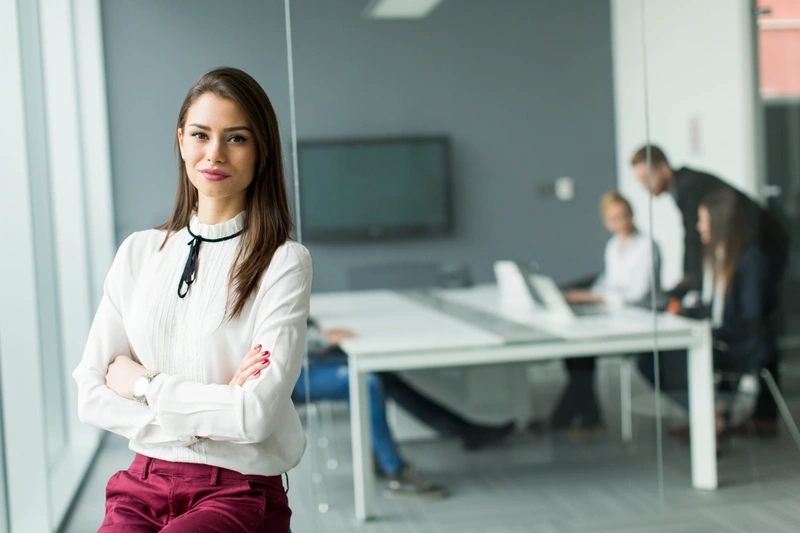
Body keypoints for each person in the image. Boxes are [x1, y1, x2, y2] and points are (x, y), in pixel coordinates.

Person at [73, 67, 310, 532]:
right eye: (201, 134)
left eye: (236, 138)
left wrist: (145, 386)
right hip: (140, 483)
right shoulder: (139, 252)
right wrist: (219, 404)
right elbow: (91, 393)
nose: (215, 153)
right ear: (181, 140)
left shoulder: (283, 262)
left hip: (238, 489)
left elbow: (256, 416)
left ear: (261, 150)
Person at [630, 145, 789, 435]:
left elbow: (692, 239)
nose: (644, 187)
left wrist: (687, 284)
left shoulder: (693, 188)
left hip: (765, 254)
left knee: (750, 321)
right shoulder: (689, 196)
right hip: (740, 284)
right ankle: (718, 415)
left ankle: (727, 417)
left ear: (664, 168)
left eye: (646, 178)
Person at [293, 321, 516, 499]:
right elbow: (268, 337)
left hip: (307, 356)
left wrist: (315, 332)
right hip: (294, 371)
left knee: (382, 374)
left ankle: (462, 430)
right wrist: (318, 339)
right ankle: (396, 472)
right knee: (366, 382)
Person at [550, 192, 661, 441]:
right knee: (576, 352)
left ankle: (566, 419)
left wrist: (595, 296)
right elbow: (609, 282)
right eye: (614, 218)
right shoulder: (613, 246)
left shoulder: (646, 247)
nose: (621, 222)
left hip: (636, 318)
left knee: (581, 354)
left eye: (624, 216)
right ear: (606, 222)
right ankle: (586, 418)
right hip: (612, 314)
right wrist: (589, 294)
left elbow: (638, 294)